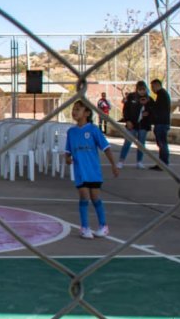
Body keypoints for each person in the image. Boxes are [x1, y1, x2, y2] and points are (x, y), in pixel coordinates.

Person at [65, 100, 119, 239]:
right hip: (80, 171)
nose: (74, 111)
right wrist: (67, 158)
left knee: (95, 197)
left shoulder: (93, 130)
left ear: (87, 113)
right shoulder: (71, 132)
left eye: (78, 109)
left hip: (93, 171)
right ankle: (85, 227)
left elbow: (106, 148)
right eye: (74, 109)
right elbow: (67, 150)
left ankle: (103, 226)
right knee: (84, 196)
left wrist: (113, 164)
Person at [117, 80, 152, 169]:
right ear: (137, 89)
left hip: (143, 125)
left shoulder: (149, 99)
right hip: (131, 124)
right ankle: (121, 161)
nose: (142, 91)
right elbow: (126, 110)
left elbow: (153, 111)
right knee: (127, 142)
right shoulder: (131, 97)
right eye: (140, 89)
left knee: (141, 144)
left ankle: (139, 161)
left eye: (143, 89)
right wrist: (127, 120)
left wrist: (148, 113)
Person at [149, 79, 171, 170]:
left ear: (157, 85)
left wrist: (150, 102)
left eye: (153, 87)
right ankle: (162, 162)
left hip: (161, 123)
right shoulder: (162, 94)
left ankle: (163, 163)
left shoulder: (162, 95)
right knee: (162, 143)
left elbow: (158, 109)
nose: (152, 89)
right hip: (162, 122)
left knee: (162, 143)